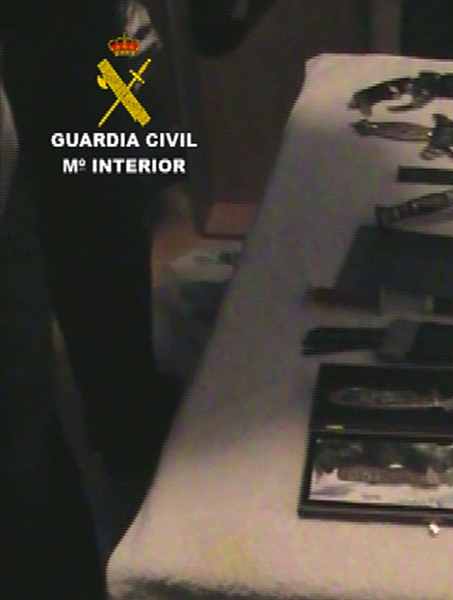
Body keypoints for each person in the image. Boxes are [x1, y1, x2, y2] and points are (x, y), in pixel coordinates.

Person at [1, 0, 275, 596]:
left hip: (89, 47)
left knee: (103, 233)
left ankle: (128, 427)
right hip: (82, 48)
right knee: (97, 236)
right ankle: (126, 431)